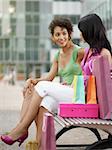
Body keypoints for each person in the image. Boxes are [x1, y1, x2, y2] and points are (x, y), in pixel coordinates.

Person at [0, 17, 84, 149]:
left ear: (70, 34)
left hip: (77, 94)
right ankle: (40, 145)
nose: (61, 37)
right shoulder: (58, 55)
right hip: (66, 95)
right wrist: (32, 80)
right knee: (44, 102)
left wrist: (77, 82)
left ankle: (22, 128)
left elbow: (90, 73)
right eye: (57, 34)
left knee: (41, 87)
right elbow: (49, 77)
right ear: (53, 37)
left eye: (64, 33)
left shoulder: (79, 52)